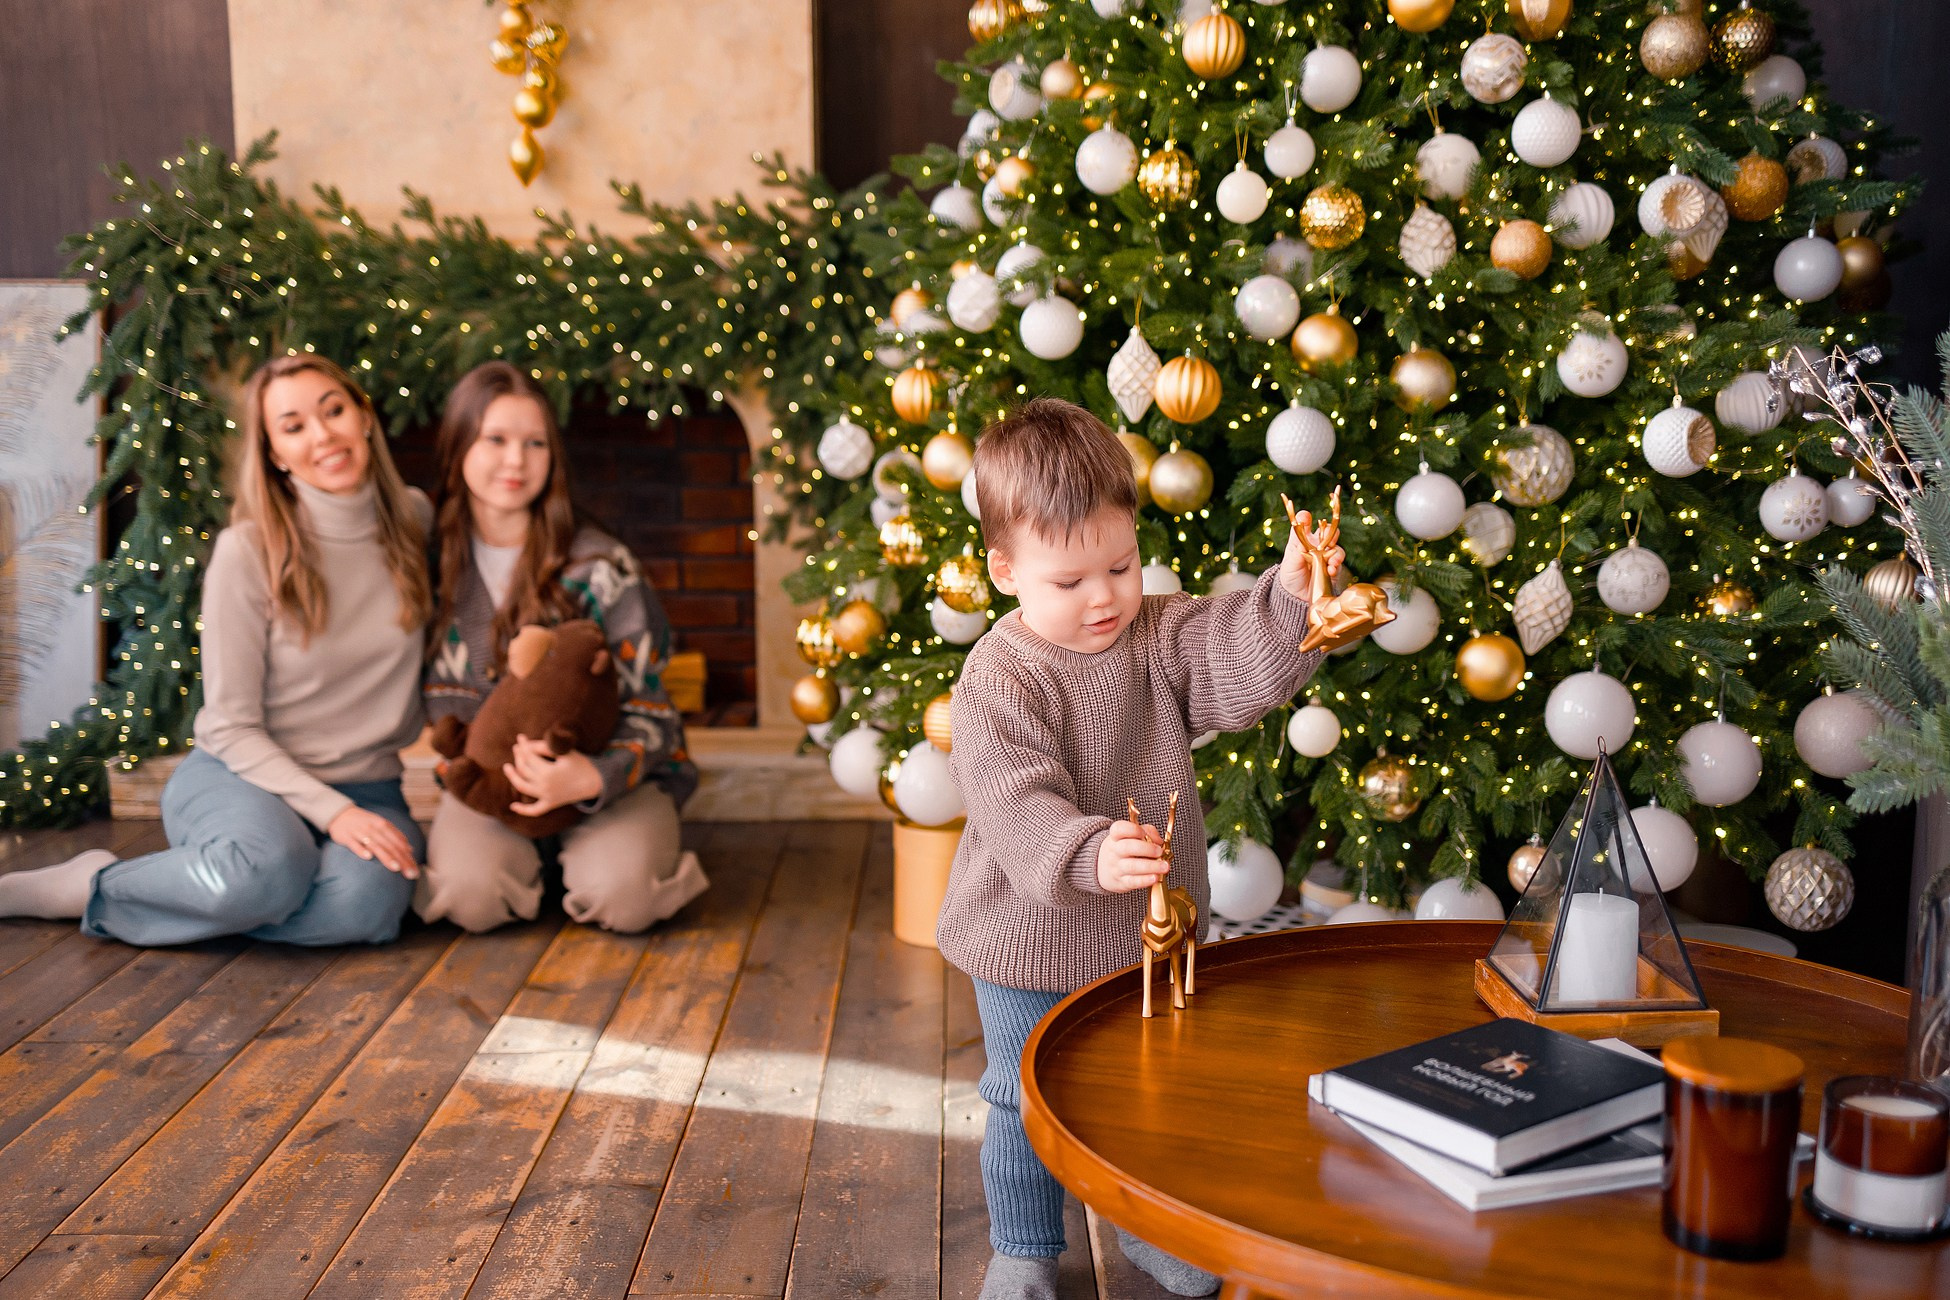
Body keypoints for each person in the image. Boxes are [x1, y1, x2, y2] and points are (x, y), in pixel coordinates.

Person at [937, 398, 1337, 1299]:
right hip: (1026, 939)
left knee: (1148, 1087)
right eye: (1070, 581)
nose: (1106, 597)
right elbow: (1009, 799)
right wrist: (1084, 852)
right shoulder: (998, 678)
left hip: (1151, 934)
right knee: (1020, 1093)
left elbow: (1234, 656)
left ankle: (1146, 1221)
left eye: (1121, 565)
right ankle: (1027, 1250)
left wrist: (1291, 597)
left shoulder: (1154, 632)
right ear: (1006, 571)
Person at [0, 354, 433, 945]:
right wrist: (333, 814)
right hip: (242, 777)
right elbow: (231, 728)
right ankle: (94, 885)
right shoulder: (249, 550)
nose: (323, 434)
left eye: (333, 410)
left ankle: (213, 900)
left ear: (364, 417)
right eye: (294, 425)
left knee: (364, 908)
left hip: (369, 786)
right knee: (266, 873)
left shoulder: (415, 521)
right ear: (276, 453)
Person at [414, 361, 704, 934]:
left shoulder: (601, 567)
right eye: (495, 439)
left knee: (626, 899)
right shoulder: (426, 566)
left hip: (603, 776)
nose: (516, 461)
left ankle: (586, 858)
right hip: (487, 789)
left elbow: (655, 711)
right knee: (471, 899)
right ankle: (533, 865)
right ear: (458, 445)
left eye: (535, 443)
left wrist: (593, 777)